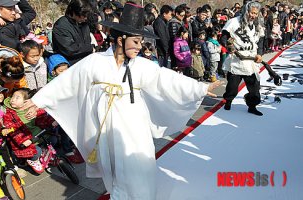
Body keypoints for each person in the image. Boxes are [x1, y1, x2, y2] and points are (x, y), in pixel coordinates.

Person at [21, 3, 222, 199]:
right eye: (135, 41)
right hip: (106, 125)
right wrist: (38, 100)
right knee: (113, 166)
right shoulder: (94, 61)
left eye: (141, 42)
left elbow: (166, 79)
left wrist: (200, 88)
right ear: (120, 40)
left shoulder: (141, 65)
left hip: (134, 123)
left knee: (140, 164)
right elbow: (68, 81)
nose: (139, 47)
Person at [220, 1, 265, 116]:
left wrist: (260, 53)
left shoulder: (257, 24)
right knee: (232, 87)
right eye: (251, 12)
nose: (253, 15)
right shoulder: (234, 22)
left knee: (254, 88)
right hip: (237, 59)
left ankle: (252, 106)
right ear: (246, 11)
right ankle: (228, 101)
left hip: (251, 60)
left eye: (255, 13)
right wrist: (229, 47)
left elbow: (260, 41)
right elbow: (224, 37)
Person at [2, 88, 57, 174]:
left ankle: (44, 153)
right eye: (12, 97)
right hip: (24, 140)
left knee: (53, 139)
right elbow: (13, 130)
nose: (12, 99)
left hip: (38, 135)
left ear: (26, 101)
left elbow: (42, 116)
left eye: (17, 98)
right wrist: (24, 141)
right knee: (36, 151)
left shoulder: (31, 108)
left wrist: (52, 121)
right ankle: (34, 160)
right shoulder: (9, 114)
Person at [52, 0, 93, 65]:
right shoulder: (61, 26)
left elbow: (87, 41)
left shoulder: (84, 24)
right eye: (83, 15)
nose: (85, 18)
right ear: (74, 12)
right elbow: (70, 49)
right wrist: (90, 48)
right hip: (69, 66)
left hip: (85, 63)